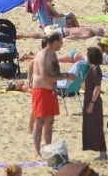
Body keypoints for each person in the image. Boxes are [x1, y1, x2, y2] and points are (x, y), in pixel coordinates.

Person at [29, 32, 75, 160]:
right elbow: (45, 76)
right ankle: (37, 152)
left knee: (50, 121)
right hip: (41, 91)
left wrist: (64, 75)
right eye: (60, 41)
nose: (62, 44)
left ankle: (47, 148)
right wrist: (65, 76)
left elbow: (52, 71)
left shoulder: (53, 54)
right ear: (54, 42)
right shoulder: (43, 55)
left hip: (51, 91)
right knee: (40, 121)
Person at [81, 46, 107, 160]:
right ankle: (100, 152)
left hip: (93, 102)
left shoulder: (96, 70)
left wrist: (91, 103)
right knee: (91, 126)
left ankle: (103, 153)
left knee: (97, 126)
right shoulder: (92, 69)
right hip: (89, 100)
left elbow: (97, 88)